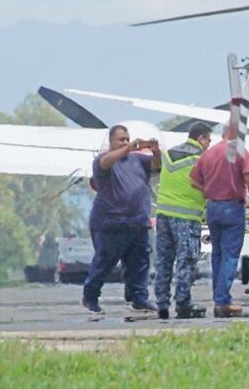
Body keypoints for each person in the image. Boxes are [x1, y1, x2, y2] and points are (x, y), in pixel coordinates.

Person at [82, 125, 160, 315]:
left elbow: (156, 166)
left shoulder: (137, 160)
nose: (125, 142)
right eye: (121, 139)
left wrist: (156, 151)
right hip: (112, 223)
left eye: (127, 139)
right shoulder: (103, 160)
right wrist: (128, 148)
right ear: (111, 141)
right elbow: (105, 162)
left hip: (138, 223)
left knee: (140, 264)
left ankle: (139, 297)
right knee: (104, 263)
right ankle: (90, 296)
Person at [190, 126, 249, 318]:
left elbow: (194, 181)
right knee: (231, 255)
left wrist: (209, 190)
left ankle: (219, 297)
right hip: (232, 206)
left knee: (217, 254)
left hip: (212, 207)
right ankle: (222, 301)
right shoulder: (239, 151)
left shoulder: (208, 153)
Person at [153, 122, 211, 320]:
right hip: (186, 216)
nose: (209, 145)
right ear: (201, 138)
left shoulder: (168, 153)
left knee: (163, 260)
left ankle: (161, 303)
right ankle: (183, 302)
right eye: (208, 141)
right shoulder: (201, 157)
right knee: (186, 261)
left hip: (163, 214)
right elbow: (207, 185)